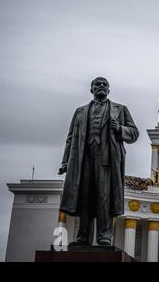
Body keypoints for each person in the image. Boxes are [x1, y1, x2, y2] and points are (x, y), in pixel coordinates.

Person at [58, 77, 139, 246]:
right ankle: (83, 236)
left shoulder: (120, 109)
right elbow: (70, 138)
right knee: (84, 197)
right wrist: (65, 162)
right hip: (83, 159)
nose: (101, 86)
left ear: (109, 90)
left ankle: (104, 236)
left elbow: (134, 133)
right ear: (91, 89)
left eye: (104, 84)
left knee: (104, 198)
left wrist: (120, 129)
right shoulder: (80, 112)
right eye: (97, 84)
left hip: (107, 160)